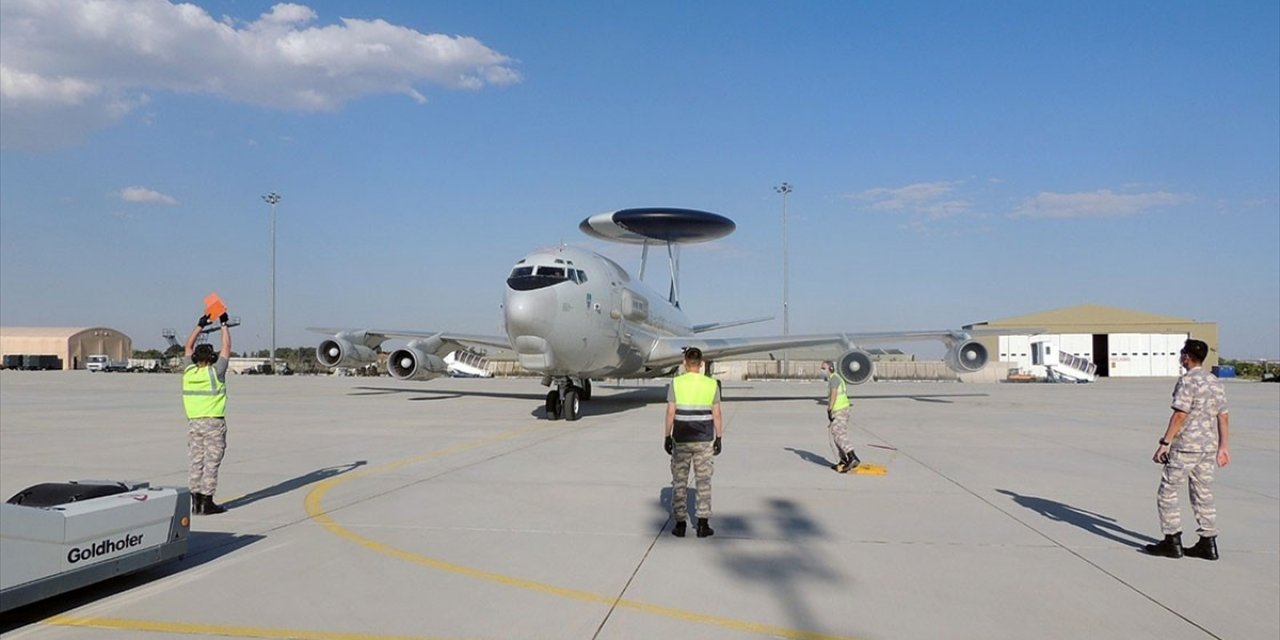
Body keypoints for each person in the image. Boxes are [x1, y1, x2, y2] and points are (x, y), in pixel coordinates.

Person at [1144, 339, 1230, 560]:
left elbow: (1180, 414)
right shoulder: (1214, 381)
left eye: (1182, 353)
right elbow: (1223, 416)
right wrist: (1223, 447)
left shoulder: (1187, 381)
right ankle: (1208, 542)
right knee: (1203, 495)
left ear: (1186, 356)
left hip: (1186, 448)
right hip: (1207, 448)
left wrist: (1165, 443)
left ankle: (1172, 541)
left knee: (1167, 493)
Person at [664, 347, 723, 538]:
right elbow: (717, 413)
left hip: (681, 438)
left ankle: (680, 524)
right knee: (703, 481)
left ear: (684, 363)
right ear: (701, 364)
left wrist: (667, 436)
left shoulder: (676, 383)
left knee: (679, 481)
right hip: (704, 438)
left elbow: (671, 412)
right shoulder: (712, 384)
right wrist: (719, 437)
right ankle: (703, 525)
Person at [183, 312, 232, 515]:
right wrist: (224, 324)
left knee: (196, 461)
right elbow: (227, 348)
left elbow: (187, 347)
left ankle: (194, 501)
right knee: (212, 463)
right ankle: (207, 501)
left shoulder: (189, 371)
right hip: (213, 423)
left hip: (194, 424)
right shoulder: (215, 372)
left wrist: (199, 325)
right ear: (212, 358)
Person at [820, 360, 860, 473]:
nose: (822, 371)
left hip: (840, 410)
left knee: (839, 434)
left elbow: (834, 394)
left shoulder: (834, 379)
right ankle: (843, 460)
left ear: (830, 369)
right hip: (840, 409)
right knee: (835, 433)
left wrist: (829, 409)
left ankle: (852, 457)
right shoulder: (836, 378)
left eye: (824, 368)